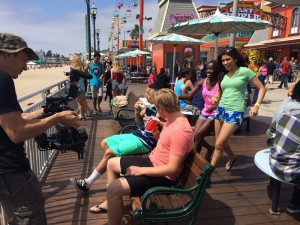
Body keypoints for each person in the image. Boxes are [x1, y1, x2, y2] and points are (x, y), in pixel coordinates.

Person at [0, 32, 80, 224]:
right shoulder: (2, 80)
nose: (26, 67)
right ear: (6, 54)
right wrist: (57, 118)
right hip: (11, 173)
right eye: (23, 59)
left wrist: (42, 112)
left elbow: (10, 120)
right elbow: (17, 133)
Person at [95, 89, 193, 224]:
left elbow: (172, 168)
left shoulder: (180, 132)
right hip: (153, 162)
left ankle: (113, 206)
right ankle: (110, 201)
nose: (156, 113)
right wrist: (155, 133)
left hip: (163, 176)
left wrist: (140, 170)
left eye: (156, 109)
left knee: (113, 188)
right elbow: (167, 146)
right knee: (111, 163)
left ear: (161, 108)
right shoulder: (172, 120)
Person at [70, 88, 161, 194]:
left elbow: (162, 125)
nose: (145, 94)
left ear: (154, 96)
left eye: (147, 93)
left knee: (109, 153)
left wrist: (155, 119)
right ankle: (116, 173)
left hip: (144, 142)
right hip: (136, 134)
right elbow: (137, 121)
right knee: (105, 143)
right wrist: (137, 110)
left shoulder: (160, 110)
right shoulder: (149, 107)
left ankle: (87, 183)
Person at [211, 47, 265, 171]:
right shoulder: (224, 74)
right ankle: (232, 156)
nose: (225, 63)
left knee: (218, 145)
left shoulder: (245, 71)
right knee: (220, 143)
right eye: (223, 60)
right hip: (221, 109)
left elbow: (261, 88)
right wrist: (215, 97)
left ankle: (206, 176)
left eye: (228, 59)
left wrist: (256, 106)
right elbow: (220, 91)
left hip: (235, 111)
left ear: (235, 59)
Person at [267, 81, 300, 213]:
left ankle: (272, 184)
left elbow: (270, 134)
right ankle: (295, 203)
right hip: (291, 172)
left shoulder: (286, 109)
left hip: (274, 161)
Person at [179, 60, 222, 162]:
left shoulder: (220, 83)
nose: (208, 71)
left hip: (216, 112)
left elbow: (226, 99)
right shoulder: (203, 81)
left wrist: (216, 105)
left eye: (211, 69)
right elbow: (189, 95)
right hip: (205, 111)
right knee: (195, 136)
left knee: (199, 135)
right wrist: (176, 96)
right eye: (207, 68)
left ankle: (193, 161)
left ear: (216, 70)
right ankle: (209, 148)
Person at [67, 54, 92, 120]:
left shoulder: (73, 69)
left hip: (77, 87)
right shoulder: (80, 67)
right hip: (82, 87)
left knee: (79, 103)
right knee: (83, 101)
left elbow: (72, 78)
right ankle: (84, 114)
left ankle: (82, 115)